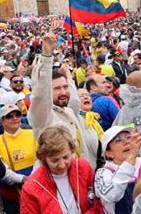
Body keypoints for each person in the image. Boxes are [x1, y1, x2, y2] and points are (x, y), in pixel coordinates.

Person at [20, 126, 100, 214]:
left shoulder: (84, 167)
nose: (62, 165)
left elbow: (98, 204)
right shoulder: (31, 187)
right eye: (55, 160)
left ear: (72, 151)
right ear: (43, 158)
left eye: (66, 157)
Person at [28, 33, 100, 168]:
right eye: (57, 89)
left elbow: (74, 101)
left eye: (65, 87)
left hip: (81, 179)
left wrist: (68, 76)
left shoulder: (69, 112)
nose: (63, 92)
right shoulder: (43, 116)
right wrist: (46, 56)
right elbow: (40, 95)